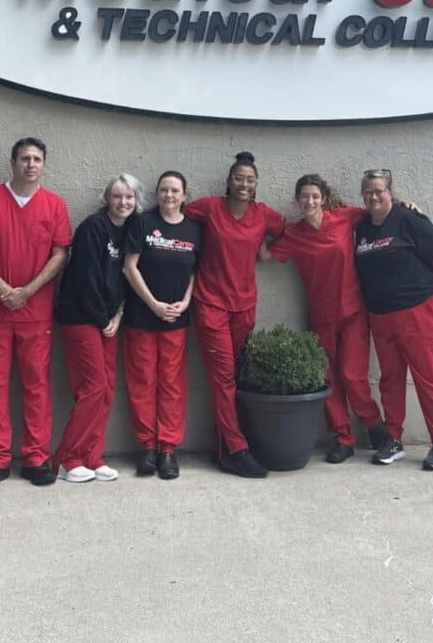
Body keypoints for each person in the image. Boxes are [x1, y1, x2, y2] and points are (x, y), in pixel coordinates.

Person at [0, 137, 72, 489]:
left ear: (44, 165)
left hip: (36, 312)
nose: (30, 164)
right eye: (25, 158)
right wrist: (4, 290)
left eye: (37, 159)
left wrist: (27, 291)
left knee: (36, 384)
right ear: (13, 163)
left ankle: (36, 457)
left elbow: (60, 254)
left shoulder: (54, 205)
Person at [260, 174, 390, 463]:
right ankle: (343, 439)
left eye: (315, 196)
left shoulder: (344, 218)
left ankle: (375, 426)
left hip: (353, 312)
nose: (310, 202)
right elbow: (266, 256)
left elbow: (378, 210)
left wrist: (407, 206)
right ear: (297, 201)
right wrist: (255, 226)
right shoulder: (294, 235)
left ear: (324, 199)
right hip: (321, 317)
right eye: (304, 197)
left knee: (353, 376)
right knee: (329, 379)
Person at [187, 151, 285, 478]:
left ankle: (221, 447)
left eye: (250, 180)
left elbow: (290, 231)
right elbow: (173, 213)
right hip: (211, 303)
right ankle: (237, 449)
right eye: (239, 178)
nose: (244, 184)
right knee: (223, 378)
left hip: (244, 307)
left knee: (232, 377)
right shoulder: (210, 208)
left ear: (256, 184)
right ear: (229, 182)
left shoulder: (263, 215)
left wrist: (268, 252)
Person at [354, 168, 433, 472]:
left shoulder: (409, 219)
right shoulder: (362, 227)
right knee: (391, 379)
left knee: (426, 377)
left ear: (390, 193)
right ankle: (393, 439)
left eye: (379, 190)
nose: (374, 196)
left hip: (418, 310)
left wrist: (417, 287)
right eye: (368, 191)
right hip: (381, 315)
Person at [52, 174, 142, 484]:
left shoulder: (131, 229)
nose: (123, 202)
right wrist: (103, 319)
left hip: (108, 318)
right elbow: (85, 279)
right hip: (81, 316)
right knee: (93, 386)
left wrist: (118, 314)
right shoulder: (93, 228)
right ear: (107, 199)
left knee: (106, 389)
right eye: (117, 196)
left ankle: (91, 457)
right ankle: (66, 460)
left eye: (129, 197)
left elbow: (129, 276)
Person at [123, 171, 201, 481]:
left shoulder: (193, 229)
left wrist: (186, 302)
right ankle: (148, 448)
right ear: (157, 193)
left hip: (175, 320)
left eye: (175, 190)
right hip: (142, 317)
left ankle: (168, 449)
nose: (169, 195)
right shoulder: (142, 223)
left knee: (172, 385)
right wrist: (153, 304)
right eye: (164, 190)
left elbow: (194, 272)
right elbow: (130, 267)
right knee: (142, 383)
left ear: (184, 195)